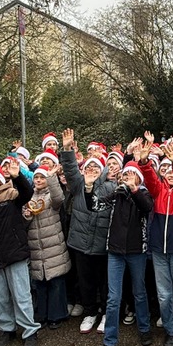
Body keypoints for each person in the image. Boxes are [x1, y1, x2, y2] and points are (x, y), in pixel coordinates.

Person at [137, 134, 173, 346]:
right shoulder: (158, 190)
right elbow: (150, 180)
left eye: (172, 171)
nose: (169, 173)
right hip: (159, 251)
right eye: (166, 170)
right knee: (164, 295)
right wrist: (144, 163)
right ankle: (170, 330)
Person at [0, 162, 40, 346]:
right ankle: (6, 328)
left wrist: (17, 175)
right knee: (0, 297)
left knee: (21, 295)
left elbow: (27, 193)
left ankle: (29, 330)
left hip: (14, 253)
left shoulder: (11, 194)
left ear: (1, 179)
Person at [61, 129, 117, 334]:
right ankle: (90, 312)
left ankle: (104, 314)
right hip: (80, 244)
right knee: (85, 282)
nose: (92, 169)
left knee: (104, 283)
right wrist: (67, 149)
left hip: (102, 244)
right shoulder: (77, 185)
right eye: (89, 166)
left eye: (96, 167)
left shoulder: (111, 187)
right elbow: (69, 169)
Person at [101, 161, 155, 346]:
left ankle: (144, 328)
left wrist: (134, 189)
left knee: (139, 292)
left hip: (136, 251)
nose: (128, 177)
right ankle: (109, 340)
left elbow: (147, 207)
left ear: (139, 178)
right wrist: (89, 187)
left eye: (133, 174)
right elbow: (95, 206)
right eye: (126, 174)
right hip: (115, 252)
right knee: (113, 298)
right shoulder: (116, 195)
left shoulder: (143, 194)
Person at [25, 166, 70, 330]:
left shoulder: (51, 197)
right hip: (36, 247)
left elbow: (59, 198)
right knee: (40, 284)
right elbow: (23, 222)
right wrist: (27, 216)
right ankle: (42, 314)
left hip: (53, 247)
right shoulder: (28, 197)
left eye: (42, 178)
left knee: (56, 282)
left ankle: (56, 315)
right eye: (36, 178)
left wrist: (52, 178)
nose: (38, 181)